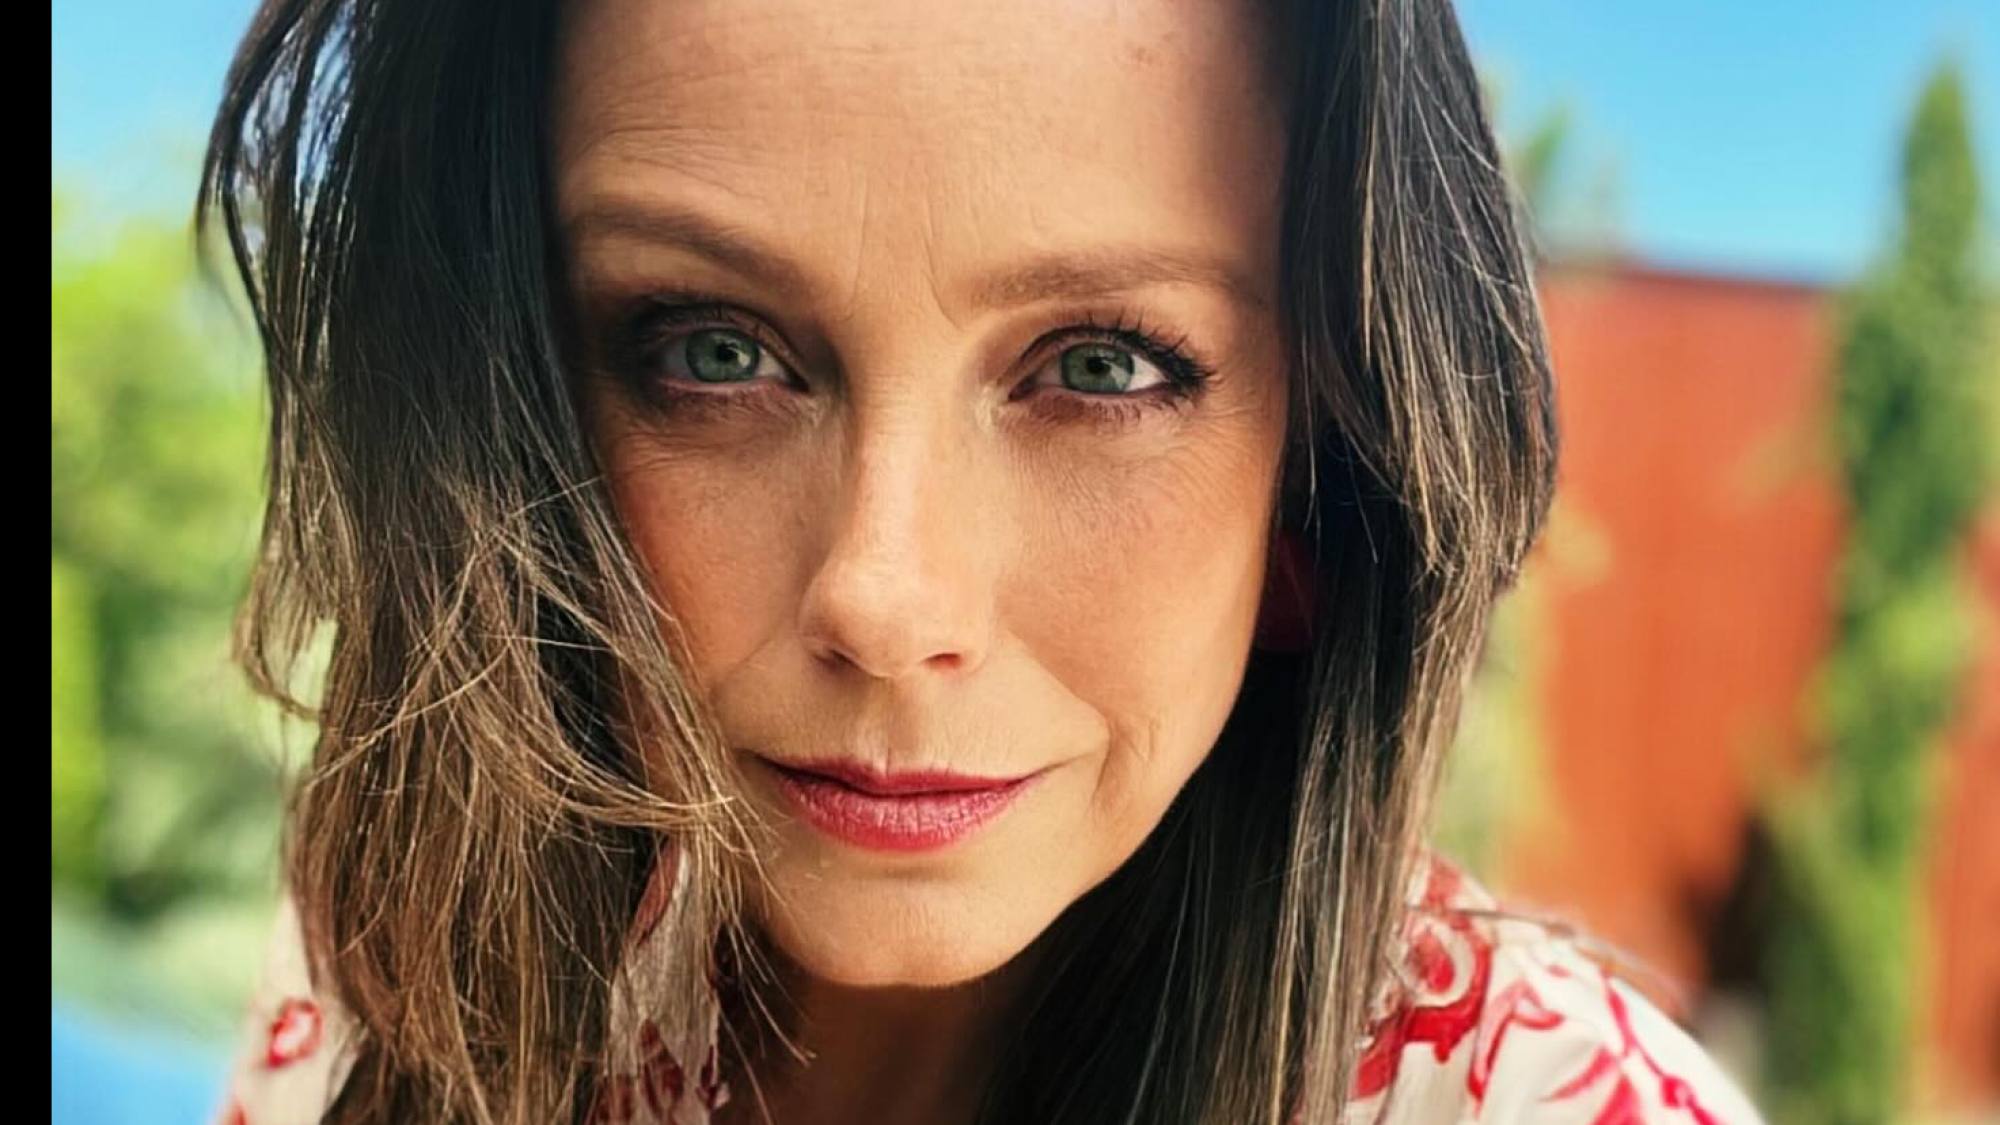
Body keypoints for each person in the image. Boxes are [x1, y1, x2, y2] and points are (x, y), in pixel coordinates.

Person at [197, 0, 1767, 1121]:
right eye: (715, 349)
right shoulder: (405, 950)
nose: (885, 597)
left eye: (1100, 368)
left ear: (1321, 473)